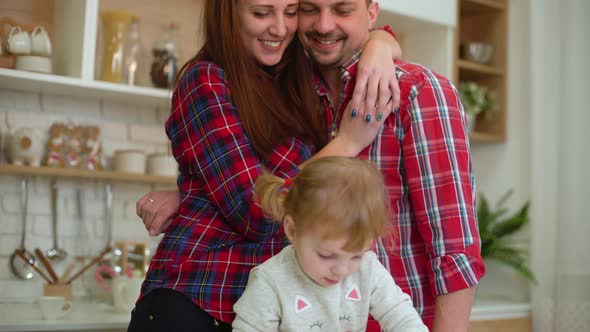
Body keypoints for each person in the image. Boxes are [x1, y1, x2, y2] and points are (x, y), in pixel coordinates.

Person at [140, 0, 487, 331]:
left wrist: (380, 41)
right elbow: (258, 198)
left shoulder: (416, 92)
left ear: (371, 13)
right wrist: (193, 190)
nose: (322, 24)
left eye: (341, 9)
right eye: (308, 10)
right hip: (211, 302)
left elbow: (455, 252)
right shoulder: (289, 91)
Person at [232, 156, 428, 332]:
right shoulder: (271, 281)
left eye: (357, 255)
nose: (341, 270)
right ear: (292, 230)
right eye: (326, 255)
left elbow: (400, 314)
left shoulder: (368, 269)